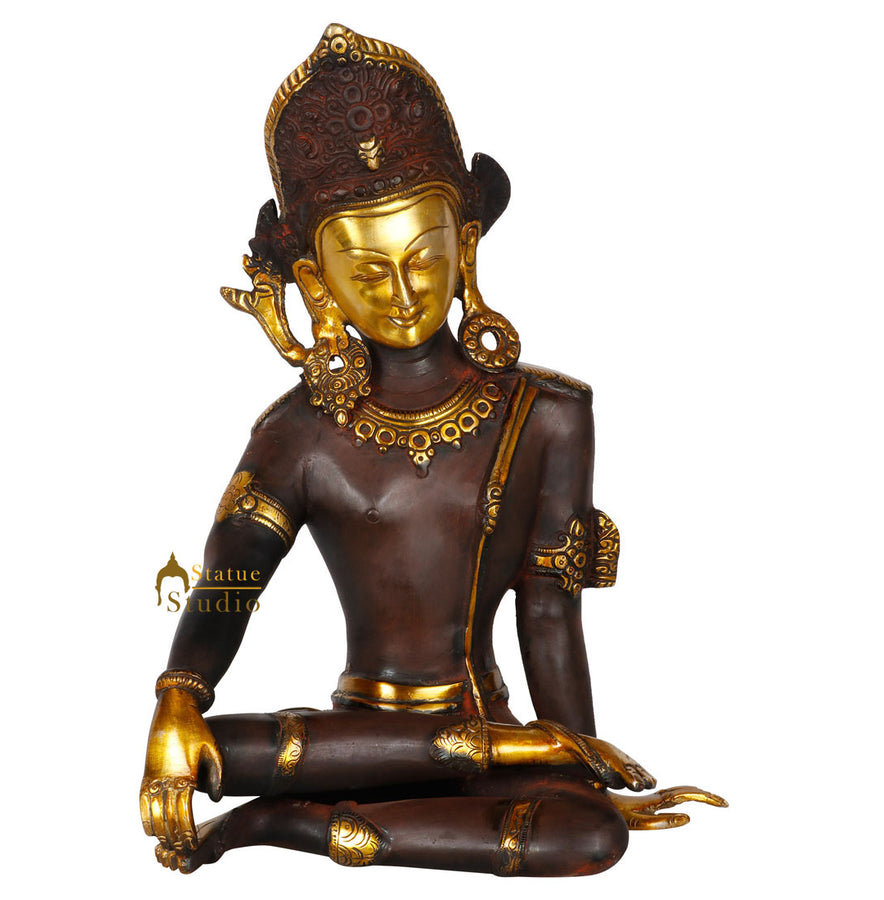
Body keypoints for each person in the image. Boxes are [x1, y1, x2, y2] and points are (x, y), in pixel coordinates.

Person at [140, 23, 724, 877]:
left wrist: (578, 761)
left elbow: (549, 613)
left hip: (490, 734)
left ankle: (285, 824)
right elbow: (229, 582)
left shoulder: (547, 414)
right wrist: (177, 700)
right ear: (316, 283)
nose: (404, 293)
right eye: (368, 273)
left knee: (593, 837)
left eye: (424, 259)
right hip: (353, 741)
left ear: (466, 245)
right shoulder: (296, 432)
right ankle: (312, 805)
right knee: (207, 750)